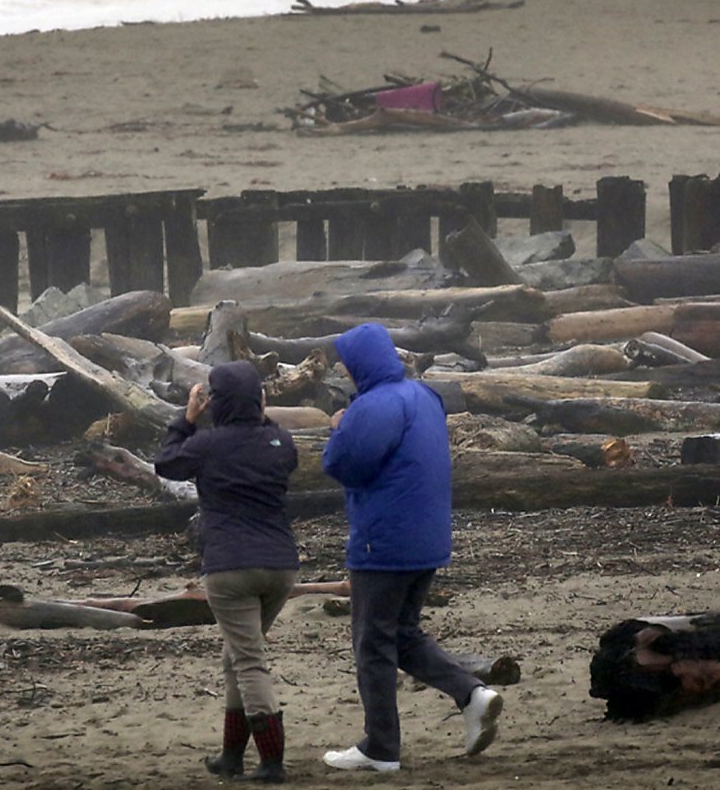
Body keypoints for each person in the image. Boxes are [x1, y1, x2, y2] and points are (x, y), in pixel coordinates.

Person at [320, 323, 502, 772]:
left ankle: (381, 748)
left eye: (345, 364)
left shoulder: (375, 406)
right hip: (427, 539)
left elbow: (344, 464)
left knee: (372, 643)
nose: (343, 371)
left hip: (382, 542)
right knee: (401, 633)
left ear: (360, 363)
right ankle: (471, 694)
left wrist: (339, 428)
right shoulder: (424, 397)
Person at [155, 360, 299, 783]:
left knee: (249, 660)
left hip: (229, 566)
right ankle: (231, 756)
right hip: (280, 567)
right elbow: (272, 443)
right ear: (260, 399)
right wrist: (259, 412)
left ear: (214, 402)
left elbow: (166, 464)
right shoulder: (280, 442)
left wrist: (186, 419)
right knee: (236, 657)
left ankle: (272, 759)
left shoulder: (207, 446)